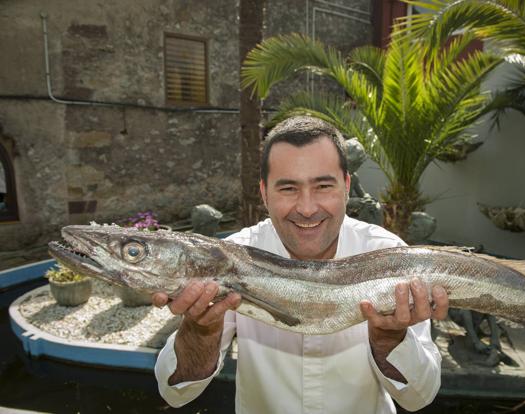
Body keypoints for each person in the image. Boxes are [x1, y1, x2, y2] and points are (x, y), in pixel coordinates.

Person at [153, 116, 449, 413]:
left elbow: (419, 396)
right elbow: (176, 390)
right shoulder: (232, 257)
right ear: (264, 193)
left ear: (346, 186)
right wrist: (199, 331)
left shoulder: (388, 254)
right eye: (288, 189)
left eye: (322, 186)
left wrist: (389, 338)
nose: (307, 208)